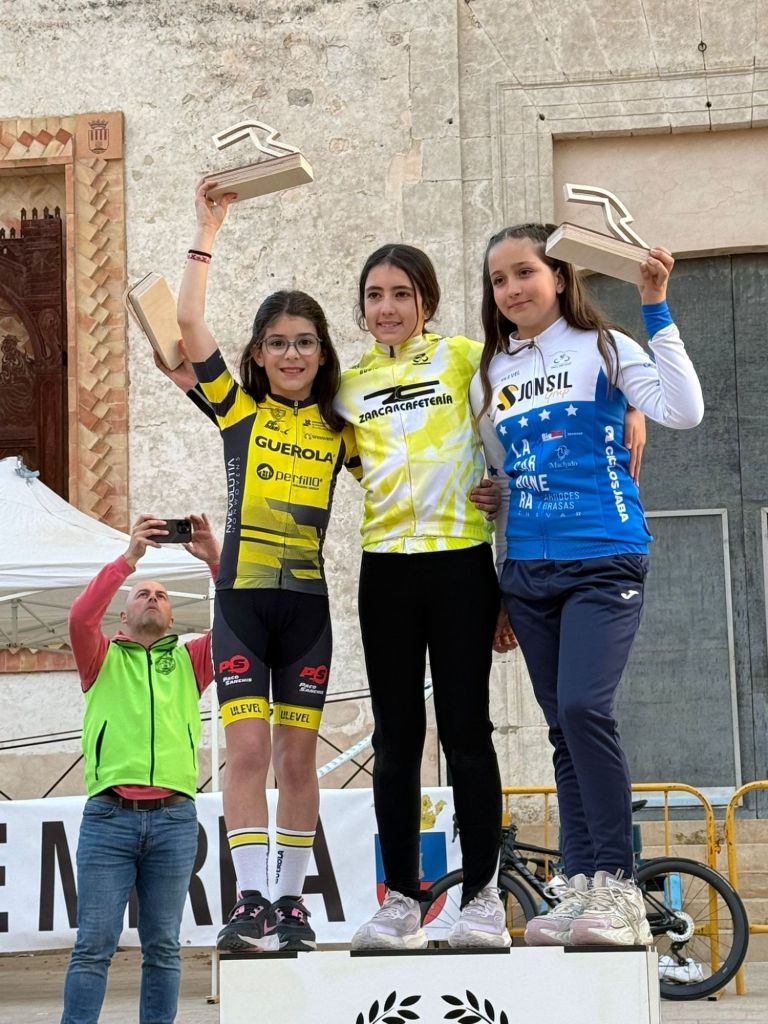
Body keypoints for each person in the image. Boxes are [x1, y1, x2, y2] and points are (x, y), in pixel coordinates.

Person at [472, 223, 704, 947]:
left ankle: (619, 886)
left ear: (559, 276)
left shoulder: (606, 347)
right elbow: (502, 473)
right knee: (562, 731)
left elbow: (683, 409)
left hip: (604, 558)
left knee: (584, 708)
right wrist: (494, 511)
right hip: (527, 571)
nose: (512, 289)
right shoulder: (490, 374)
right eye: (499, 280)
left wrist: (655, 305)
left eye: (525, 272)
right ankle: (578, 886)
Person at [175, 180, 360, 953]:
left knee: (298, 758)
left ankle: (291, 903)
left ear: (323, 353)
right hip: (242, 606)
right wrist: (207, 228)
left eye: (305, 342)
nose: (291, 354)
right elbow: (188, 323)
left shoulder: (343, 428)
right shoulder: (238, 410)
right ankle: (250, 900)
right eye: (278, 343)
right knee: (247, 753)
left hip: (307, 611)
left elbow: (406, 477)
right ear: (257, 353)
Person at [61, 513, 220, 1024]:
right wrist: (130, 557)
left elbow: (238, 622)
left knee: (165, 947)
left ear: (172, 618)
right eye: (142, 594)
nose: (153, 597)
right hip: (109, 818)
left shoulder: (192, 661)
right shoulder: (100, 655)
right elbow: (80, 618)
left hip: (175, 820)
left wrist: (215, 560)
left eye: (162, 595)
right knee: (93, 945)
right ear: (123, 615)